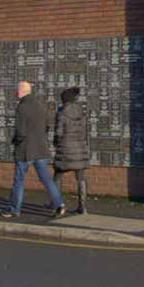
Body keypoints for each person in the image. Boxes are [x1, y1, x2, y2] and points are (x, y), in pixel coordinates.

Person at [1, 80, 66, 219]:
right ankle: (59, 204)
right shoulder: (41, 105)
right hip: (40, 149)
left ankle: (14, 210)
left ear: (20, 91)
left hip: (24, 151)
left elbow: (21, 132)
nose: (15, 92)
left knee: (19, 181)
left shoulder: (22, 107)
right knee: (47, 180)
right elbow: (48, 124)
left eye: (16, 90)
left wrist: (15, 141)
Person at [53, 86, 90, 215]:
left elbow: (58, 133)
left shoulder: (62, 113)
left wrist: (55, 143)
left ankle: (58, 206)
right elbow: (85, 132)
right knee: (81, 178)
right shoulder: (82, 112)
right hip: (80, 149)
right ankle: (83, 207)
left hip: (65, 149)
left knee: (57, 177)